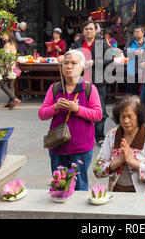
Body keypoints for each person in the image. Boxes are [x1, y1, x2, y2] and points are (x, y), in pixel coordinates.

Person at [38, 50, 103, 191]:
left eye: (74, 63)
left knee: (80, 186)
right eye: (65, 63)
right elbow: (42, 114)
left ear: (81, 67)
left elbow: (98, 115)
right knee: (59, 186)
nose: (69, 66)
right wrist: (55, 107)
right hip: (57, 145)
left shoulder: (89, 89)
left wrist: (77, 109)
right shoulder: (55, 88)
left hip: (81, 148)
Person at [93, 95, 145, 194]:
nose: (126, 121)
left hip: (144, 194)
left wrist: (132, 161)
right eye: (123, 116)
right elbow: (97, 170)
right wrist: (119, 161)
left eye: (130, 116)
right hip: (116, 192)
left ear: (138, 117)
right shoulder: (112, 135)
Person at [71, 20, 113, 146]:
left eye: (91, 29)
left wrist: (95, 62)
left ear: (96, 30)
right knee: (80, 107)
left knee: (99, 109)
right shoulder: (78, 43)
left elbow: (110, 59)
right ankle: (83, 135)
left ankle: (99, 136)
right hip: (80, 80)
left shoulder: (101, 42)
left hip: (98, 80)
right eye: (86, 29)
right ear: (83, 30)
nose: (88, 31)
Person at [0, 32, 21, 109]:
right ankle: (10, 102)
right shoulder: (12, 44)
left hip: (8, 68)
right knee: (11, 85)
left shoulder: (7, 45)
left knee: (3, 86)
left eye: (4, 34)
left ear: (9, 36)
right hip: (12, 67)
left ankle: (14, 99)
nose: (3, 36)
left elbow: (5, 57)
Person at [124, 25, 145, 95]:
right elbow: (124, 52)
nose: (136, 33)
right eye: (135, 32)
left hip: (144, 71)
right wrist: (133, 52)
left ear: (143, 33)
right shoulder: (131, 42)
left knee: (142, 92)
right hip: (132, 71)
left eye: (138, 32)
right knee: (132, 92)